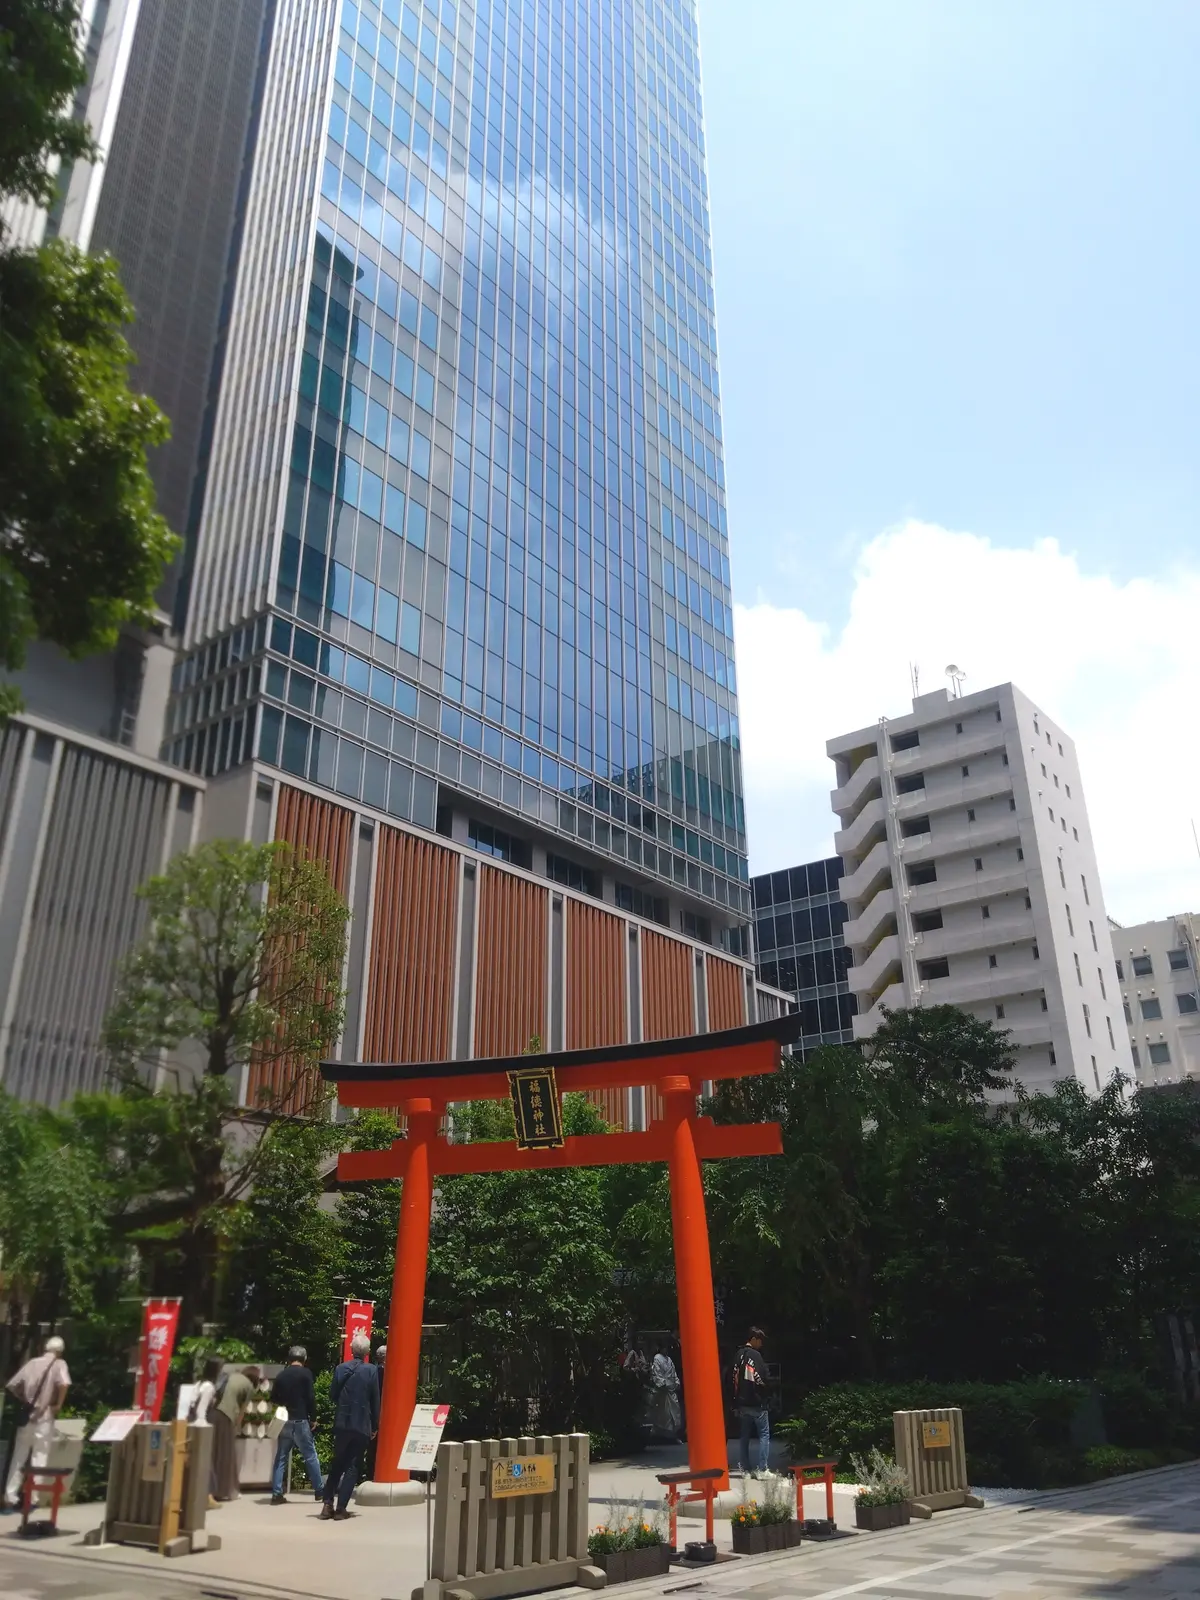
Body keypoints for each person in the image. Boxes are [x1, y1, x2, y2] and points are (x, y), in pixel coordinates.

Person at [3, 1337, 70, 1511]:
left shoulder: (32, 1363)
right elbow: (64, 1383)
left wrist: (25, 1400)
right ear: (60, 1350)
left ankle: (10, 1497)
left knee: (19, 1457)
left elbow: (12, 1385)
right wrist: (58, 1405)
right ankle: (32, 1498)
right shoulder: (60, 1364)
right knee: (40, 1456)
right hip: (45, 1416)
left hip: (26, 1416)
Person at [321, 1334, 379, 1520]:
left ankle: (327, 1504)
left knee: (337, 1463)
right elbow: (375, 1400)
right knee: (353, 1466)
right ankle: (341, 1509)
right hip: (362, 1423)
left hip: (342, 1422)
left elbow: (332, 1395)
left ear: (352, 1349)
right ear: (367, 1352)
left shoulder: (340, 1368)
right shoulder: (371, 1371)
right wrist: (375, 1425)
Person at [270, 1347, 325, 1505]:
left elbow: (274, 1398)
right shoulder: (306, 1374)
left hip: (285, 1420)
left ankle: (276, 1493)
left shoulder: (281, 1375)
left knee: (281, 1457)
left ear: (289, 1358)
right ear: (304, 1358)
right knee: (310, 1455)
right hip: (301, 1420)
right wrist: (313, 1418)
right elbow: (311, 1397)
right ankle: (319, 1491)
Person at [212, 1364, 261, 1502]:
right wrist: (236, 1428)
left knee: (214, 1453)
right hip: (226, 1416)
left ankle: (212, 1490)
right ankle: (226, 1491)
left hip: (213, 1413)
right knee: (227, 1455)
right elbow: (241, 1412)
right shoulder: (249, 1386)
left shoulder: (231, 1376)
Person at [732, 1327, 770, 1476]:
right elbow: (761, 1378)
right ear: (753, 1339)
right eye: (759, 1340)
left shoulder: (738, 1355)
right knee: (764, 1434)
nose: (761, 1344)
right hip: (756, 1402)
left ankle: (744, 1469)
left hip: (741, 1402)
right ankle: (762, 1469)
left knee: (744, 1435)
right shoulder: (756, 1356)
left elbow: (731, 1377)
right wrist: (766, 1393)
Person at [650, 1343, 682, 1443]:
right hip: (663, 1391)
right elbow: (657, 1373)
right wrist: (663, 1384)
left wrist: (676, 1382)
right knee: (664, 1414)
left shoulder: (669, 1359)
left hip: (671, 1389)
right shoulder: (657, 1358)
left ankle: (673, 1434)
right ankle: (663, 1435)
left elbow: (673, 1372)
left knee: (674, 1412)